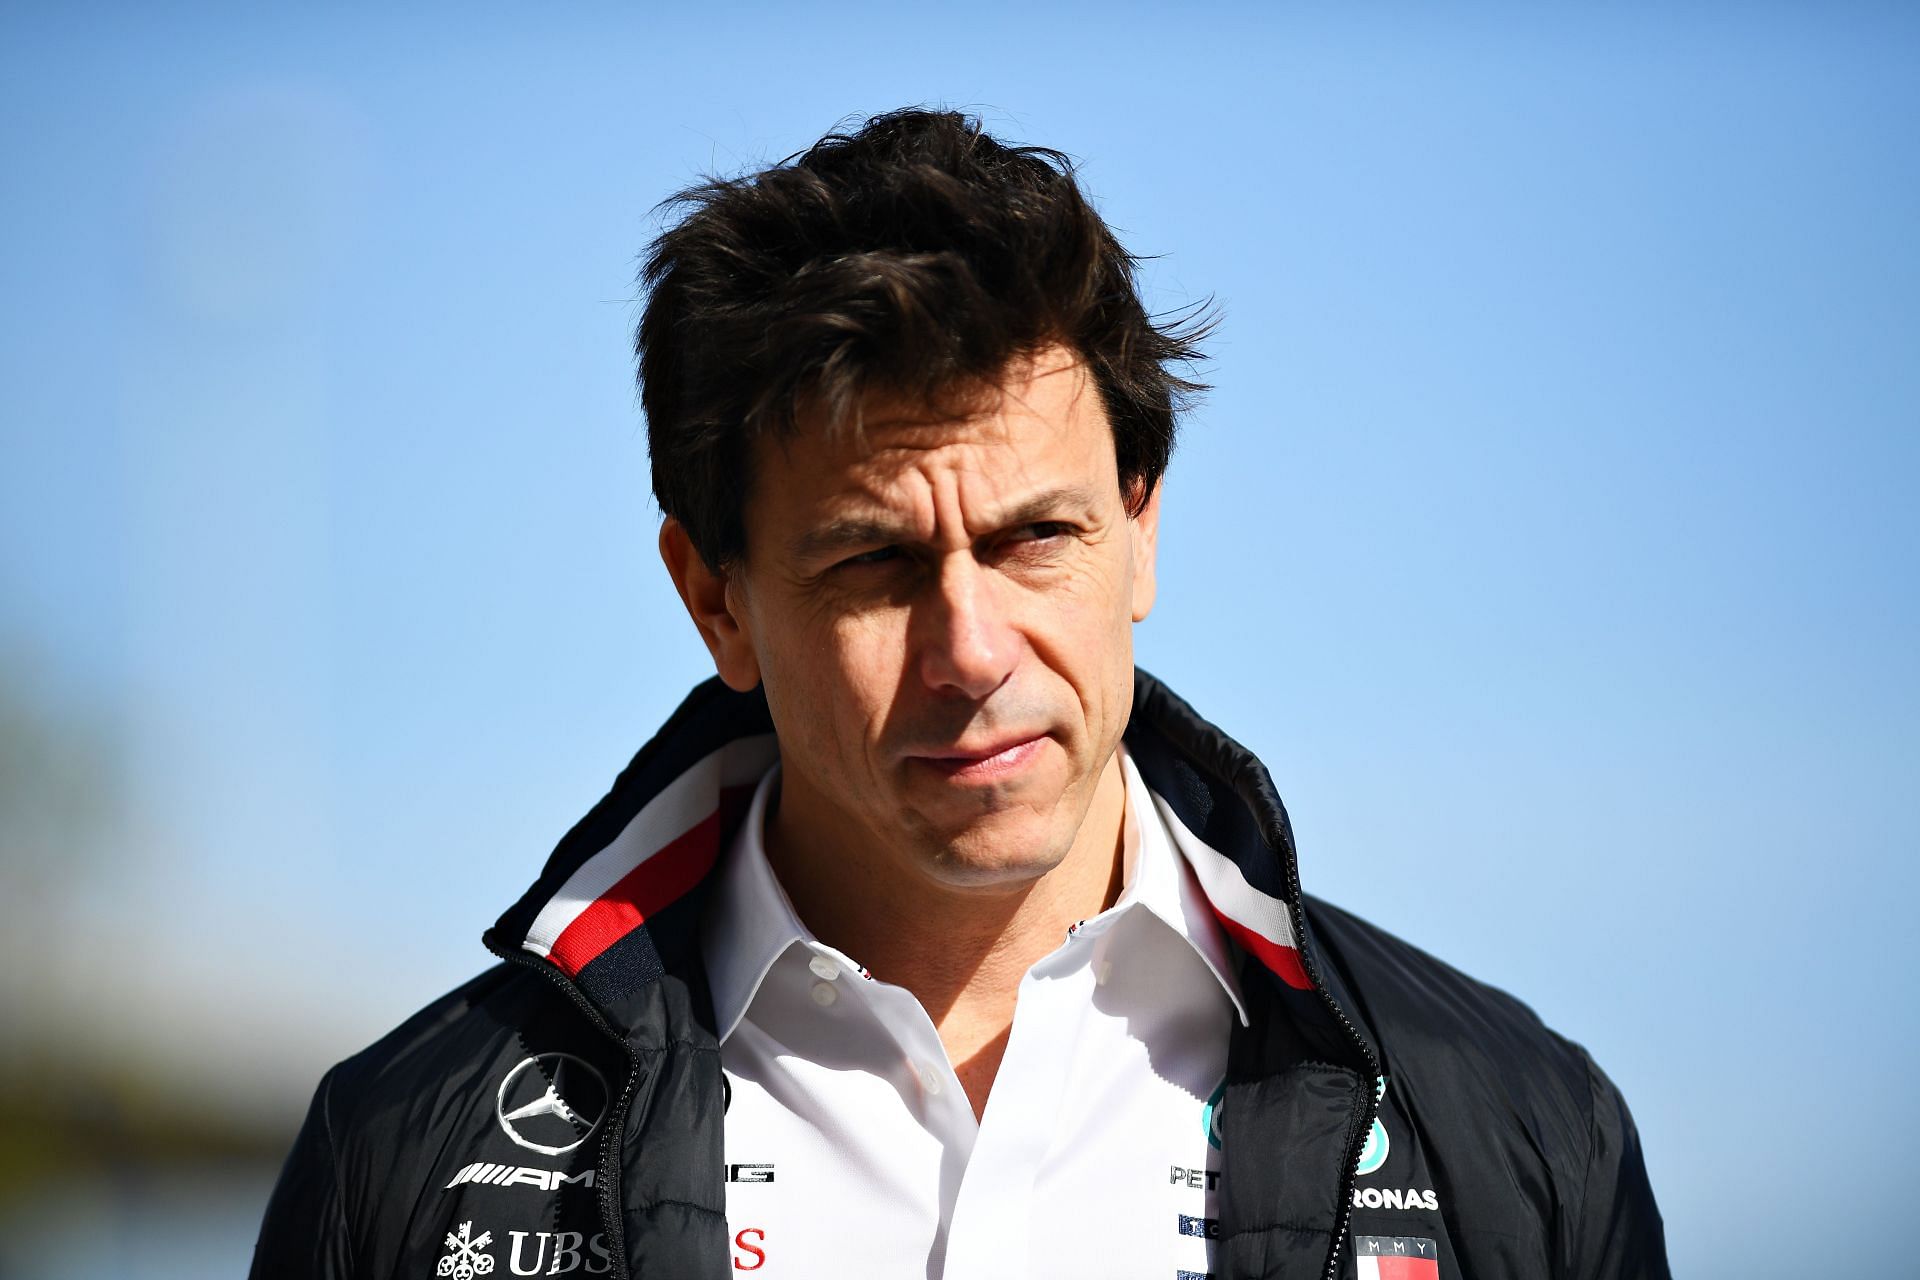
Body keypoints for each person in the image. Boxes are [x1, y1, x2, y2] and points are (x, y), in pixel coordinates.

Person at [251, 108, 1669, 1280]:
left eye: (1034, 538)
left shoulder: (1519, 1138)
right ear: (715, 599)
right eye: (874, 563)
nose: (972, 649)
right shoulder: (407, 1158)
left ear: (1142, 531)